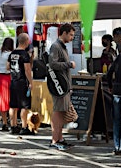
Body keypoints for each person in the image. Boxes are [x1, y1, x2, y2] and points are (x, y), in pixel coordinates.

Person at [48, 23, 76, 151]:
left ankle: (60, 138)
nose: (72, 38)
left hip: (63, 85)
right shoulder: (56, 46)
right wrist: (68, 64)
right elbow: (53, 64)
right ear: (63, 33)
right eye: (70, 35)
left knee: (61, 111)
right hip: (59, 85)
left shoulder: (62, 46)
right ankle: (55, 140)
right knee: (58, 112)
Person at [7, 33, 33, 135]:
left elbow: (7, 67)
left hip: (13, 81)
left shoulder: (12, 53)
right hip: (22, 81)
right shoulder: (24, 54)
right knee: (24, 106)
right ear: (26, 41)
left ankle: (13, 126)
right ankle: (24, 126)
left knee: (13, 105)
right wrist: (30, 82)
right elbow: (27, 69)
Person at [0, 37, 14, 131]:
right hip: (8, 78)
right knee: (10, 101)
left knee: (1, 101)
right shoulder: (11, 54)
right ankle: (12, 122)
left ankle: (4, 122)